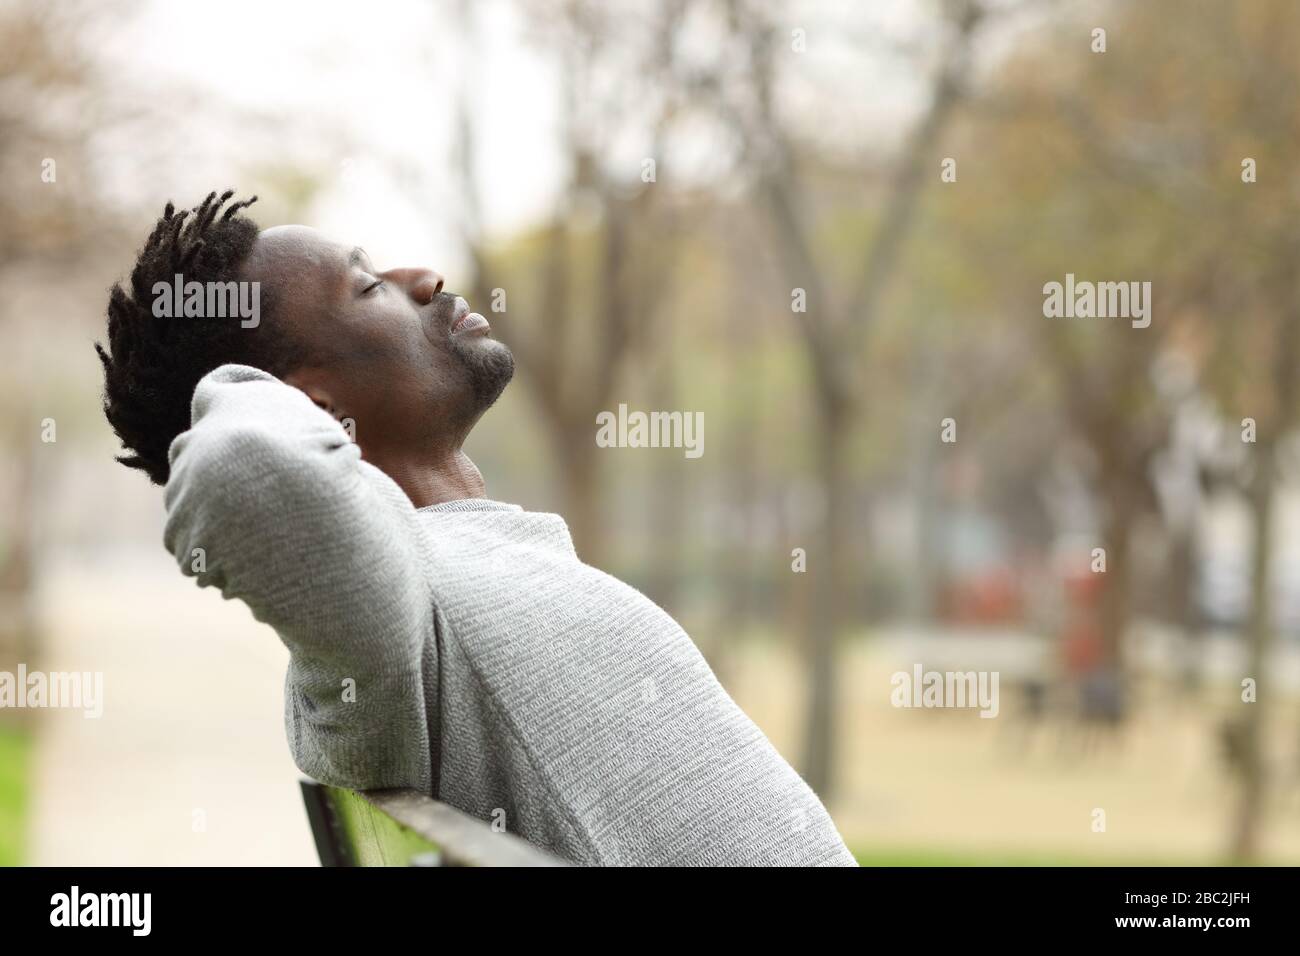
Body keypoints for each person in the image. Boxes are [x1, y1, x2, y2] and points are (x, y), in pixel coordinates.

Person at [96, 190, 858, 867]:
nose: (424, 279)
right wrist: (240, 390)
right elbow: (243, 472)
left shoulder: (448, 571)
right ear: (309, 406)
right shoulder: (390, 623)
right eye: (367, 287)